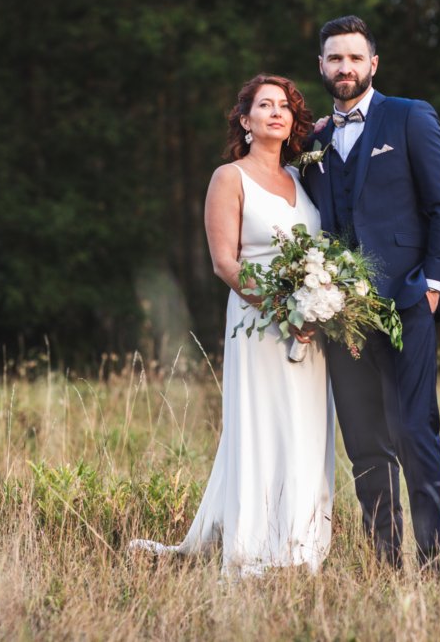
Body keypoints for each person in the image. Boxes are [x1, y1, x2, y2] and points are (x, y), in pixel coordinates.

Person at [129, 74, 335, 578]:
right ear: (245, 120)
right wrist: (284, 309)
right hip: (260, 321)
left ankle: (300, 543)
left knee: (306, 429)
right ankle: (253, 547)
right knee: (263, 426)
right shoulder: (229, 178)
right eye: (264, 105)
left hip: (309, 329)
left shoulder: (301, 178)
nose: (276, 112)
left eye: (284, 106)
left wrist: (314, 307)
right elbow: (225, 263)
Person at [302, 16, 440, 574]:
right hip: (339, 315)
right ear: (321, 66)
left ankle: (435, 564)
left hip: (406, 303)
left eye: (354, 57)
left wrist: (434, 287)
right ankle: (385, 565)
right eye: (334, 58)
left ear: (373, 63)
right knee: (364, 442)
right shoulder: (315, 142)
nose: (344, 67)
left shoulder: (409, 117)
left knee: (414, 432)